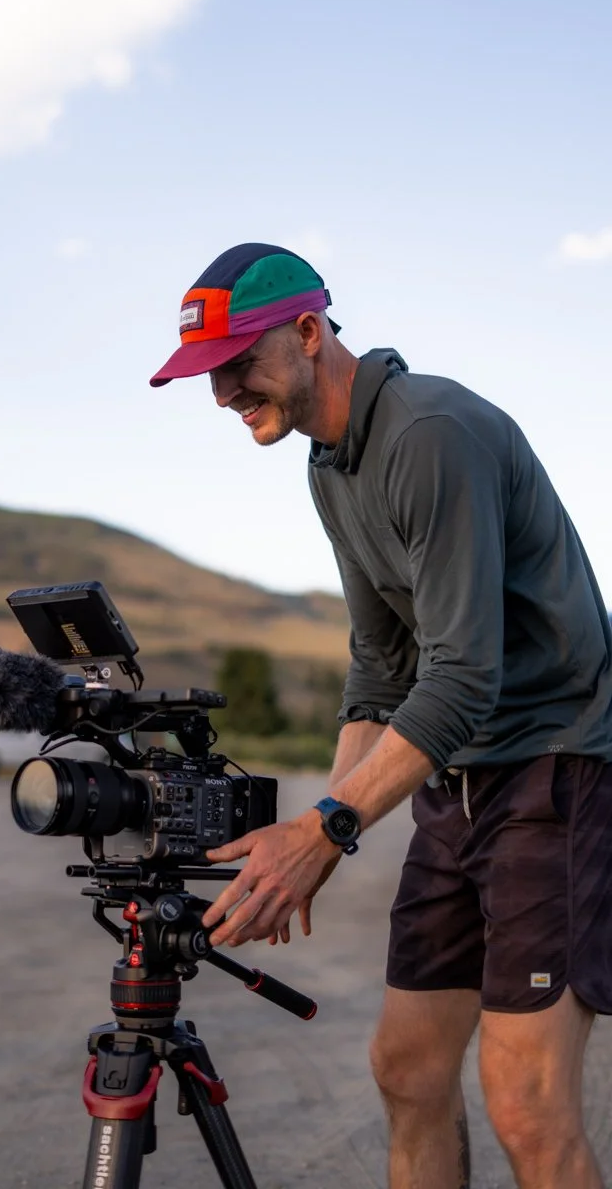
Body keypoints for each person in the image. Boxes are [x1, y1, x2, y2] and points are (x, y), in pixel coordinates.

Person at [149, 242, 612, 1189]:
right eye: (210, 373)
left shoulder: (430, 432)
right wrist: (314, 834)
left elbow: (461, 677)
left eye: (239, 362)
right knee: (407, 1071)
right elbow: (381, 668)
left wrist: (328, 831)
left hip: (557, 770)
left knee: (526, 1105)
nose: (225, 392)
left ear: (311, 333)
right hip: (458, 779)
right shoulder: (329, 466)